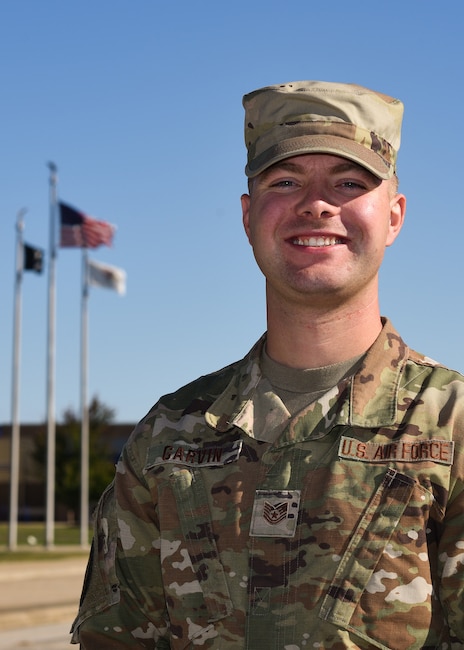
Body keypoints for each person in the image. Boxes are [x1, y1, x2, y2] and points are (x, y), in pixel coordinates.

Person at [71, 81, 464, 649]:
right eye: (286, 181)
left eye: (350, 182)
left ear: (395, 216)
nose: (316, 203)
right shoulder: (169, 437)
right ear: (249, 216)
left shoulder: (449, 427)